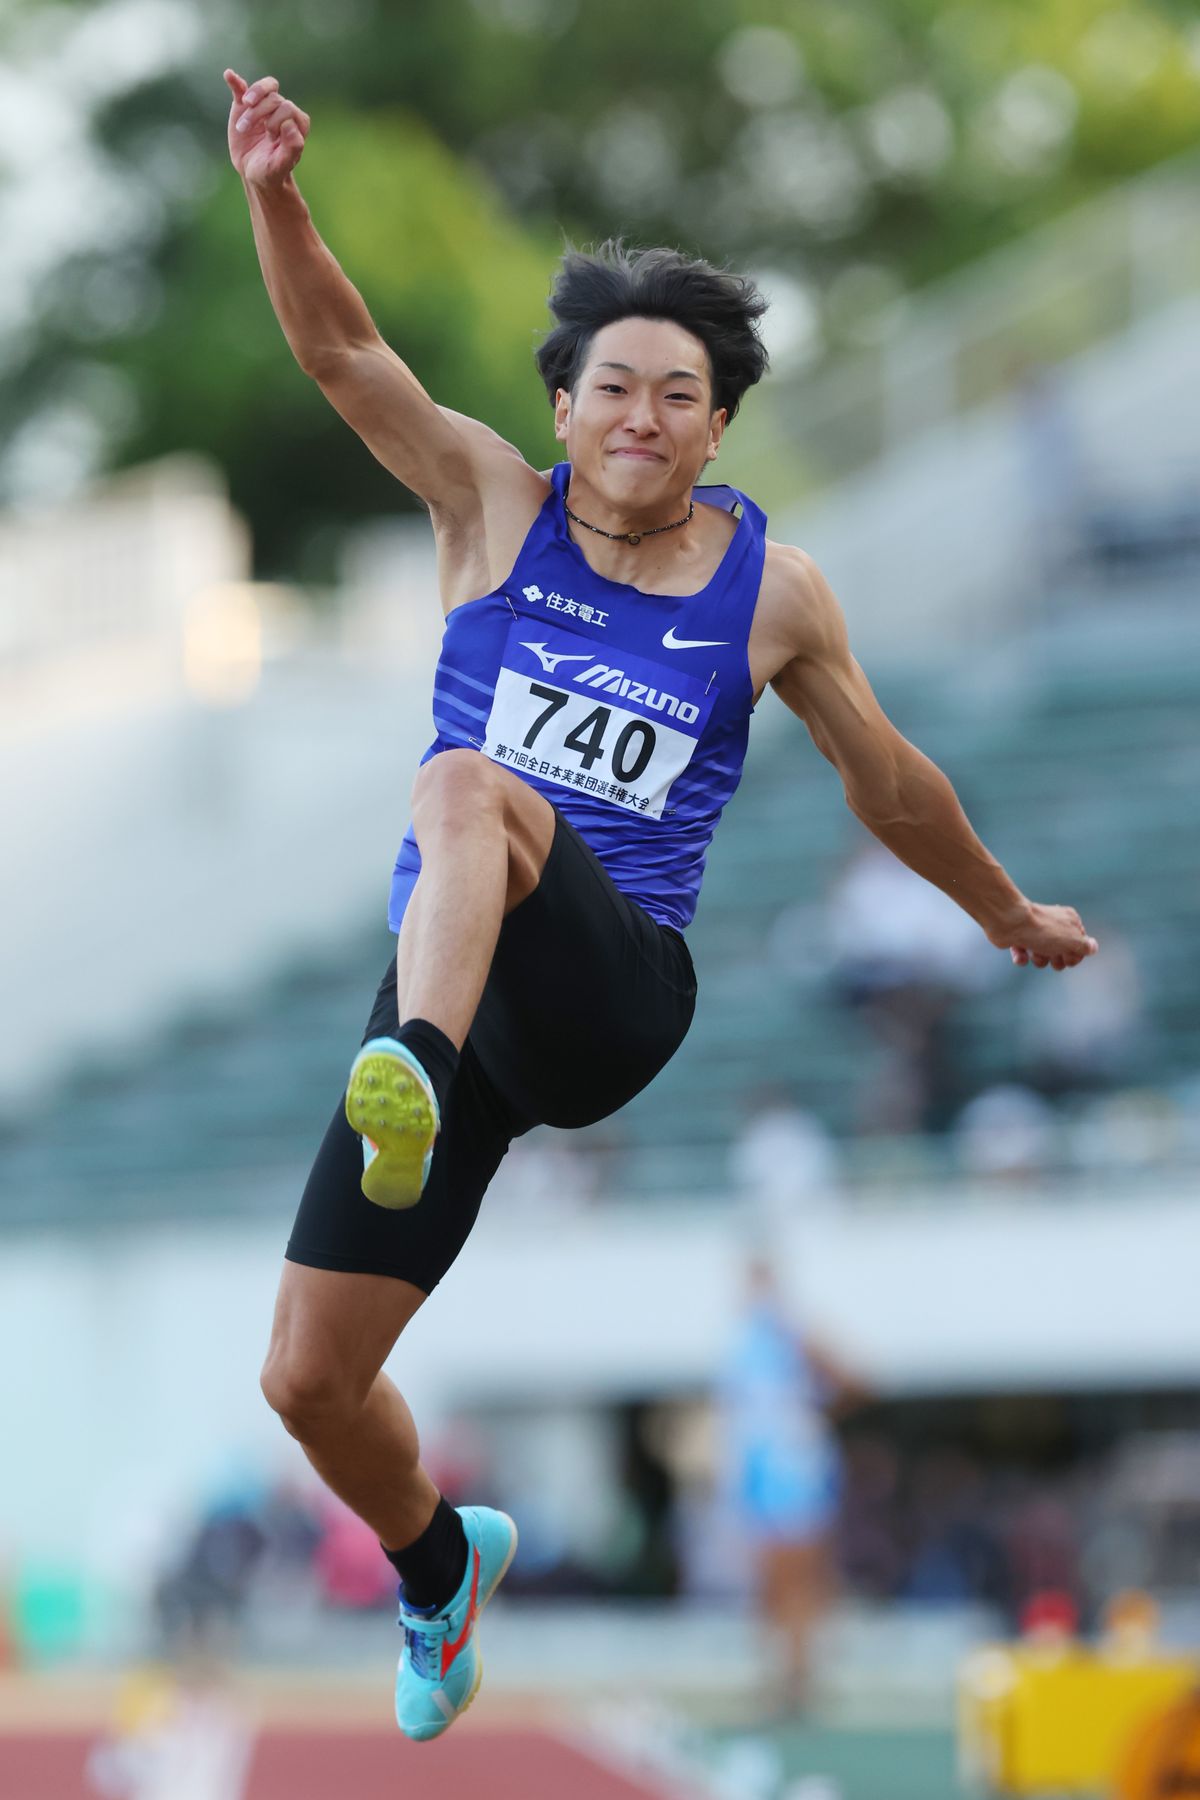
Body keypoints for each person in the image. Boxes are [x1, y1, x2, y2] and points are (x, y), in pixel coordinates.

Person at [222, 67, 1100, 1743]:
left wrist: (999, 908)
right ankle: (435, 1569)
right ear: (558, 408)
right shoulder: (491, 508)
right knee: (308, 1382)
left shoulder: (774, 591)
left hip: (613, 996)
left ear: (717, 427)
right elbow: (345, 354)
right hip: (459, 1005)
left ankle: (407, 1059)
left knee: (466, 786)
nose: (639, 416)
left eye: (676, 395)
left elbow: (888, 779)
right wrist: (276, 192)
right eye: (610, 385)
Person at [719, 1256, 867, 1716]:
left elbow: (853, 1381)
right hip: (760, 1471)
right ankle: (782, 1678)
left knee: (799, 1579)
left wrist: (811, 1415)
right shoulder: (744, 1341)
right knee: (769, 1585)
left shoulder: (793, 1335)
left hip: (792, 1469)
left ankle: (799, 1681)